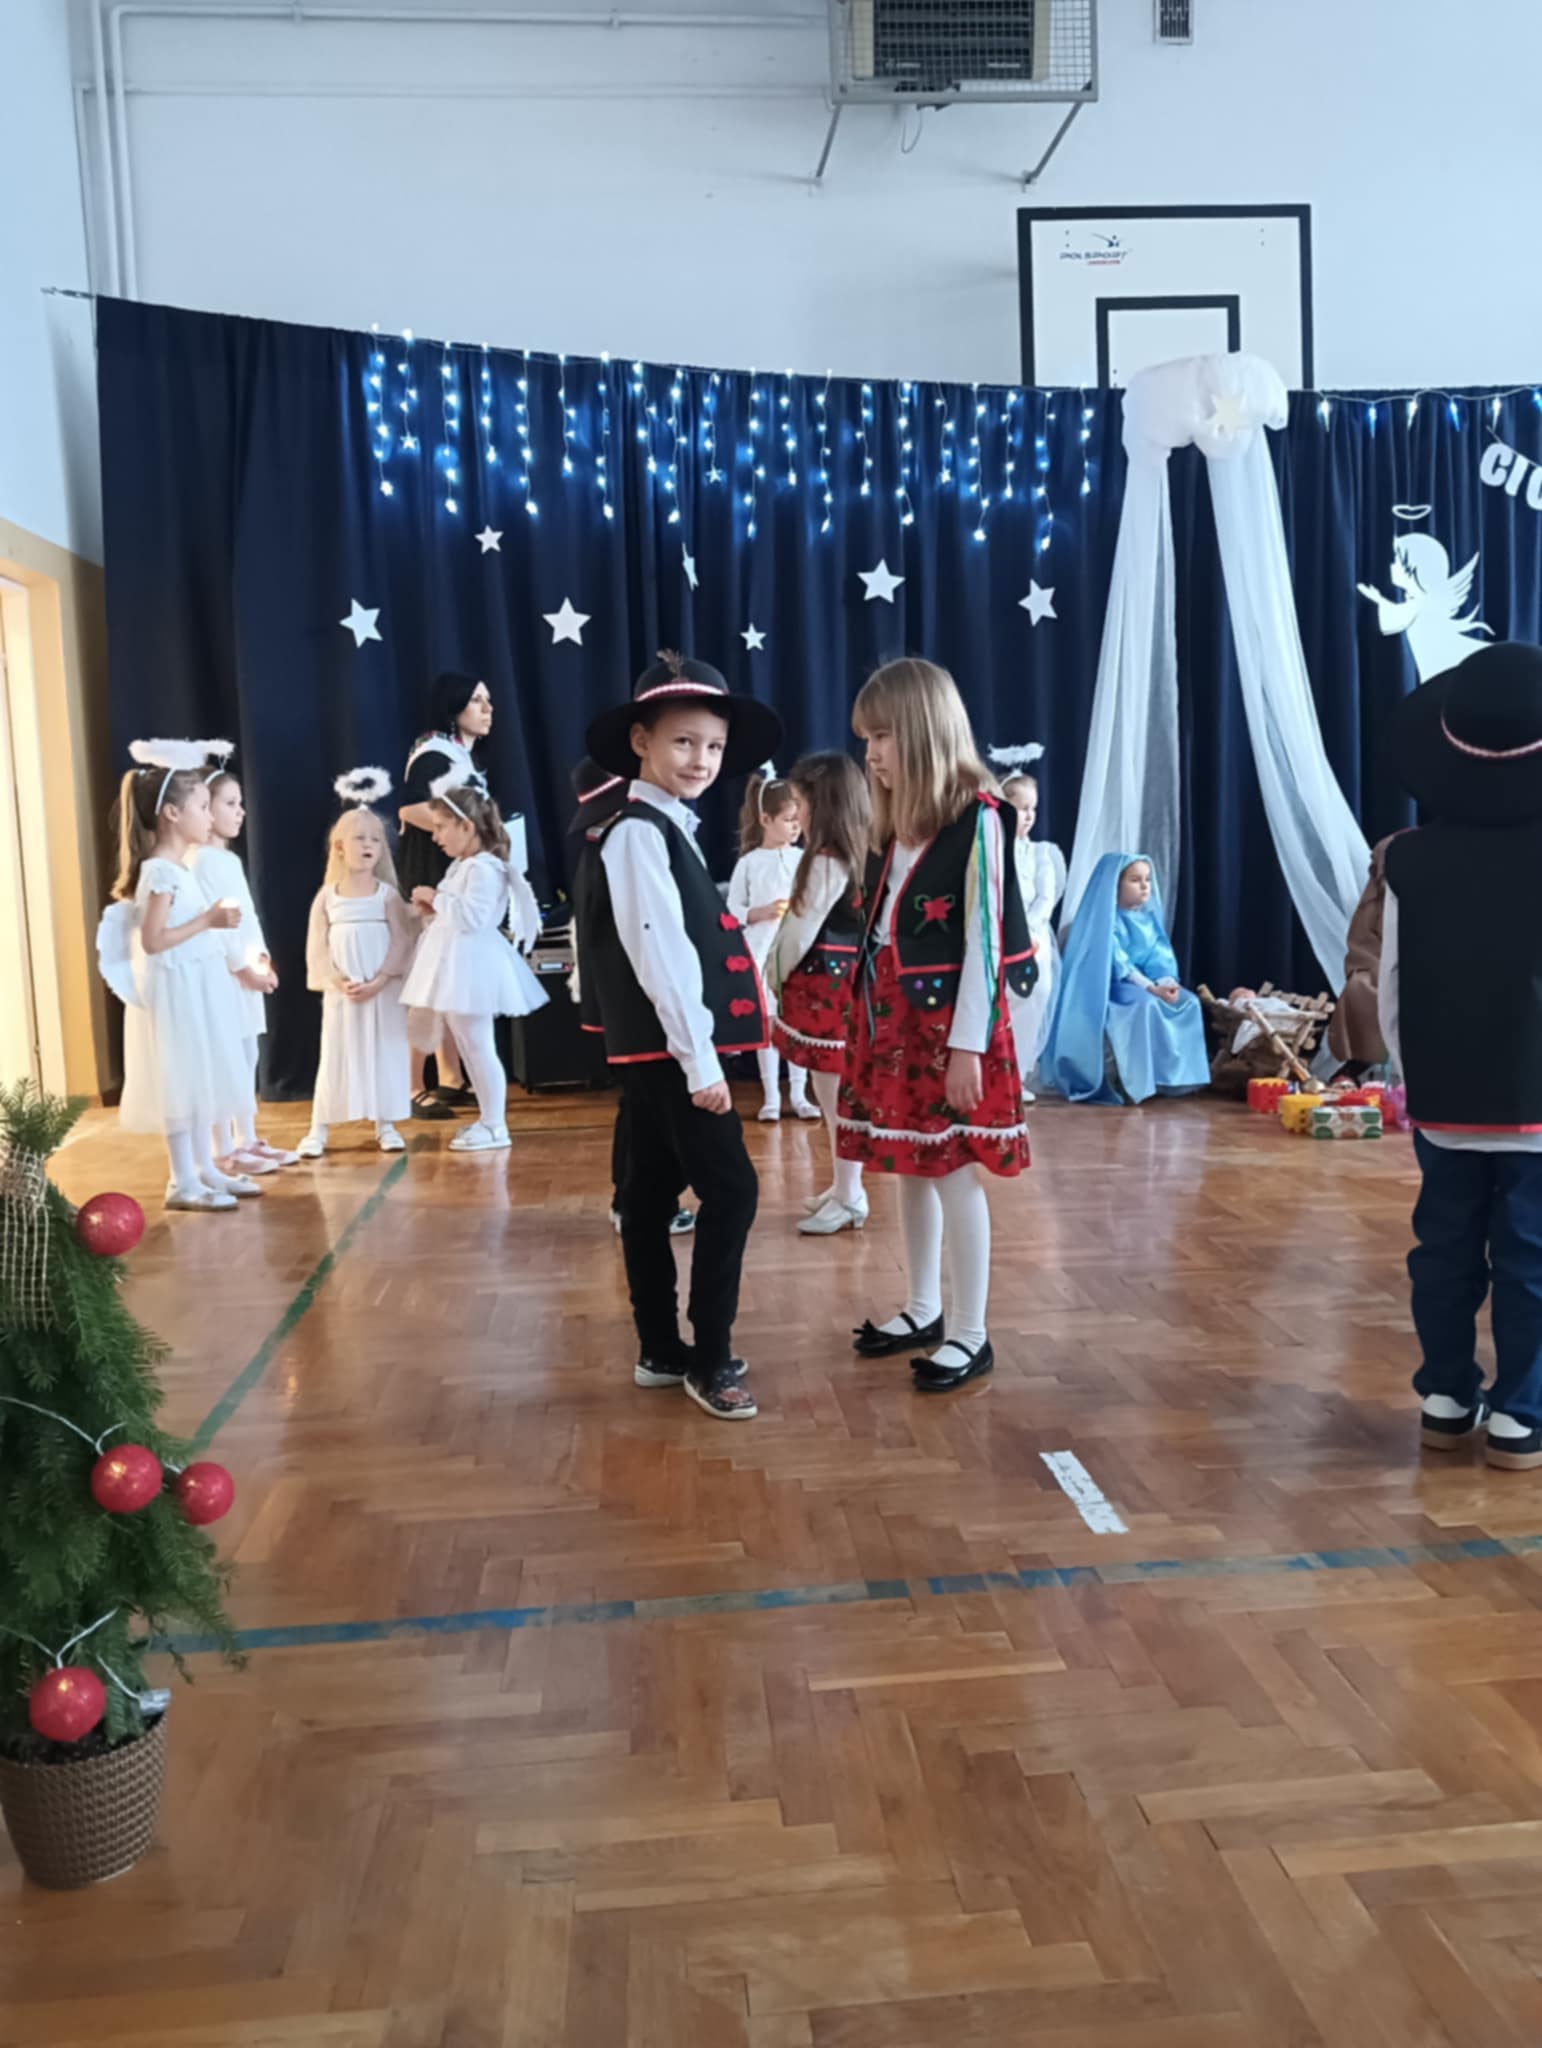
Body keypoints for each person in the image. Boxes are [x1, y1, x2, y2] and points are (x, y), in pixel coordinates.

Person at [575, 651, 782, 1421]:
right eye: (684, 741)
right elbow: (658, 950)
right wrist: (701, 1062)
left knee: (648, 1197)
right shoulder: (638, 832)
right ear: (642, 742)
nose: (701, 759)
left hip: (661, 1051)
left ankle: (662, 1350)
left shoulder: (662, 826)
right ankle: (709, 1356)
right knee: (732, 1190)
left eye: (714, 746)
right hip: (672, 1053)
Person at [840, 660, 1038, 1392]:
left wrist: (966, 1047)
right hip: (891, 1021)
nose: (871, 754)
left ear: (923, 732)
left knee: (952, 1170)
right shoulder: (897, 825)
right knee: (908, 1164)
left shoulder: (979, 819)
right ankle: (924, 1308)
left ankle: (971, 1333)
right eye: (866, 740)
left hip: (949, 1028)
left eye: (883, 736)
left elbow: (984, 940)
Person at [1380, 642, 1542, 1471]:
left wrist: (1415, 1079)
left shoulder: (1408, 857)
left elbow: (1391, 985)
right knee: (1531, 1255)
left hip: (1443, 1097)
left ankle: (1446, 1396)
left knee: (1443, 1247)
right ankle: (1521, 1413)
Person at [103, 744, 258, 1211]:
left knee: (199, 1078)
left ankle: (204, 1168)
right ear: (172, 813)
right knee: (181, 1079)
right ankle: (182, 1179)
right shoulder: (160, 872)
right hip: (176, 991)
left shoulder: (178, 869)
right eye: (203, 807)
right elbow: (153, 940)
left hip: (197, 986)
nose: (210, 817)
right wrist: (208, 921)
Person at [565, 756, 696, 1243]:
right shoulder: (629, 838)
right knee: (649, 1115)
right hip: (641, 1007)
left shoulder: (600, 843)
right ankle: (638, 1204)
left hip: (625, 1004)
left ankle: (636, 1203)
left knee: (640, 1110)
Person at [397, 673, 524, 1121]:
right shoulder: (434, 754)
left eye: (489, 700)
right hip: (431, 882)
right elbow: (410, 809)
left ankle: (450, 1077)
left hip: (454, 880)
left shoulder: (463, 758)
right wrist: (475, 834)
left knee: (451, 983)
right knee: (428, 983)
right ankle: (412, 1085)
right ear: (453, 707)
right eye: (476, 700)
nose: (488, 709)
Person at [401, 781, 545, 1153]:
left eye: (440, 827)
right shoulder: (463, 865)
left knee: (478, 1046)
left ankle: (496, 1124)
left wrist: (436, 897)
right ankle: (487, 1119)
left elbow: (473, 917)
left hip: (471, 965)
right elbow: (457, 912)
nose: (435, 836)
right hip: (456, 962)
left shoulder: (483, 868)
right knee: (468, 1044)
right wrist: (435, 907)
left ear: (466, 826)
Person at [770, 750, 870, 1237]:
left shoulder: (826, 861)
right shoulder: (862, 852)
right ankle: (844, 1186)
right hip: (843, 989)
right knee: (834, 1095)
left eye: (801, 803)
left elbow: (797, 932)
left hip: (825, 996)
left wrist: (773, 975)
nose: (799, 814)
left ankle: (850, 1195)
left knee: (836, 1098)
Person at [298, 772, 419, 1158]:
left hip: (382, 991)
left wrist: (382, 979)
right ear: (339, 847)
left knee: (386, 1051)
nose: (368, 845)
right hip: (344, 992)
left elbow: (402, 940)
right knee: (336, 1054)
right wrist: (337, 979)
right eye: (359, 838)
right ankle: (318, 1128)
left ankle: (386, 1123)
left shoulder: (388, 896)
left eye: (375, 840)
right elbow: (317, 945)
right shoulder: (327, 897)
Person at [1041, 854, 1209, 1106]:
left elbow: (1158, 955)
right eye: (1135, 880)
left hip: (1149, 985)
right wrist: (1151, 988)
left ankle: (1172, 1077)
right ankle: (1137, 1082)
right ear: (1115, 885)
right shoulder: (1104, 921)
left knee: (1189, 1003)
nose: (1144, 886)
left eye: (1147, 880)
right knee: (1144, 1005)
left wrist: (1165, 982)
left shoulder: (1148, 920)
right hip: (1114, 987)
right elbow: (1119, 963)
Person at [196, 758, 294, 1174]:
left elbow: (246, 919)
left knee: (246, 1054)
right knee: (226, 1060)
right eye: (230, 803)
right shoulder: (200, 861)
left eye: (240, 803)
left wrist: (262, 961)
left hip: (246, 974)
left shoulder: (228, 860)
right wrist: (243, 968)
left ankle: (247, 1137)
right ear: (205, 807)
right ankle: (223, 1147)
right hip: (225, 974)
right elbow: (217, 924)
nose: (240, 812)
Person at [727, 773, 816, 1124]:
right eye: (788, 820)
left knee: (797, 1025)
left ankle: (799, 1094)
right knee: (770, 1024)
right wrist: (757, 913)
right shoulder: (749, 863)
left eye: (798, 820)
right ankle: (771, 1096)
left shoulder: (803, 859)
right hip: (762, 951)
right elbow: (731, 909)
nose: (795, 827)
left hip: (797, 950)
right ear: (766, 819)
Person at [1001, 766, 1065, 1103]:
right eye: (1021, 808)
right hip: (996, 936)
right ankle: (993, 1071)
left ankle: (1018, 1071)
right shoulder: (990, 851)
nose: (1028, 816)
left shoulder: (1042, 853)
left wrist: (1025, 933)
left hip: (1032, 937)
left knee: (1034, 995)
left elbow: (1045, 899)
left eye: (1032, 809)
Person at [1326, 835, 1394, 1069]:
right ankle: (1360, 1065)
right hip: (1386, 965)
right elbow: (1362, 941)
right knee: (1360, 987)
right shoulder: (1377, 898)